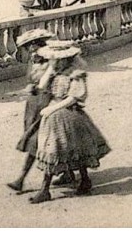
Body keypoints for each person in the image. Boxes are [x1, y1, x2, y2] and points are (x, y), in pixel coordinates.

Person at [29, 41, 111, 203]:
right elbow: (41, 86)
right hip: (54, 115)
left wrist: (52, 109)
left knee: (65, 148)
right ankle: (83, 180)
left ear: (68, 59)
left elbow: (75, 97)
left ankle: (47, 189)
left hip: (69, 115)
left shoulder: (76, 74)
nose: (55, 61)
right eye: (53, 59)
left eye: (57, 59)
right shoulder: (56, 72)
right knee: (63, 148)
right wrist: (50, 70)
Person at [6, 28, 57, 194]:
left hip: (46, 105)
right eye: (28, 47)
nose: (30, 50)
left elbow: (51, 84)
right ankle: (70, 174)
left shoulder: (52, 62)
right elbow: (32, 83)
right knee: (41, 142)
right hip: (33, 106)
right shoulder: (33, 62)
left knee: (38, 142)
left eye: (32, 46)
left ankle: (21, 179)